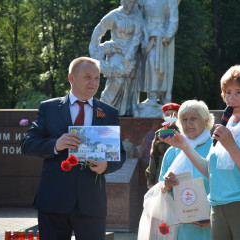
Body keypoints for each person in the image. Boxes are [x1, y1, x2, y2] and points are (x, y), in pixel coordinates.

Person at [161, 65, 240, 240]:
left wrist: (231, 145)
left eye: (238, 92)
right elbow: (211, 170)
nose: (231, 98)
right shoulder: (226, 127)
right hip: (218, 210)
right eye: (228, 92)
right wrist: (185, 146)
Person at [21, 57, 126, 240]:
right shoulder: (49, 108)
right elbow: (27, 144)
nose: (93, 82)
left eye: (97, 78)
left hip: (91, 202)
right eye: (87, 77)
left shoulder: (109, 113)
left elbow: (120, 155)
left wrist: (106, 166)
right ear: (71, 78)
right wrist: (55, 144)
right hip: (53, 200)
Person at [158, 100, 214, 240]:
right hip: (179, 228)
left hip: (210, 226)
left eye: (193, 119)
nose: (188, 124)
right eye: (184, 119)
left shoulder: (217, 147)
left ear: (206, 121)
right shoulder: (172, 152)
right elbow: (160, 188)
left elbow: (227, 186)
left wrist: (213, 217)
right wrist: (166, 185)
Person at [89, 0, 142, 116]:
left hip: (131, 53)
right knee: (117, 80)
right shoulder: (114, 15)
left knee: (129, 82)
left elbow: (137, 38)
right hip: (116, 52)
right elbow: (99, 30)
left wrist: (130, 54)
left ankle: (124, 112)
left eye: (133, 2)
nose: (131, 4)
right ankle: (102, 110)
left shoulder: (137, 18)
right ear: (123, 1)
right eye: (129, 1)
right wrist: (94, 48)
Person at [137, 0, 180, 105]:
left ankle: (155, 95)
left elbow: (173, 18)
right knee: (144, 67)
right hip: (145, 35)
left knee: (156, 64)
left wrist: (169, 34)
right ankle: (148, 96)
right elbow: (137, 15)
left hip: (161, 35)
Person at [145, 102, 180, 189]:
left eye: (173, 114)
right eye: (167, 114)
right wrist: (151, 182)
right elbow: (153, 158)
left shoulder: (184, 132)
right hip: (161, 175)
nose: (170, 117)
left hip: (180, 173)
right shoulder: (159, 134)